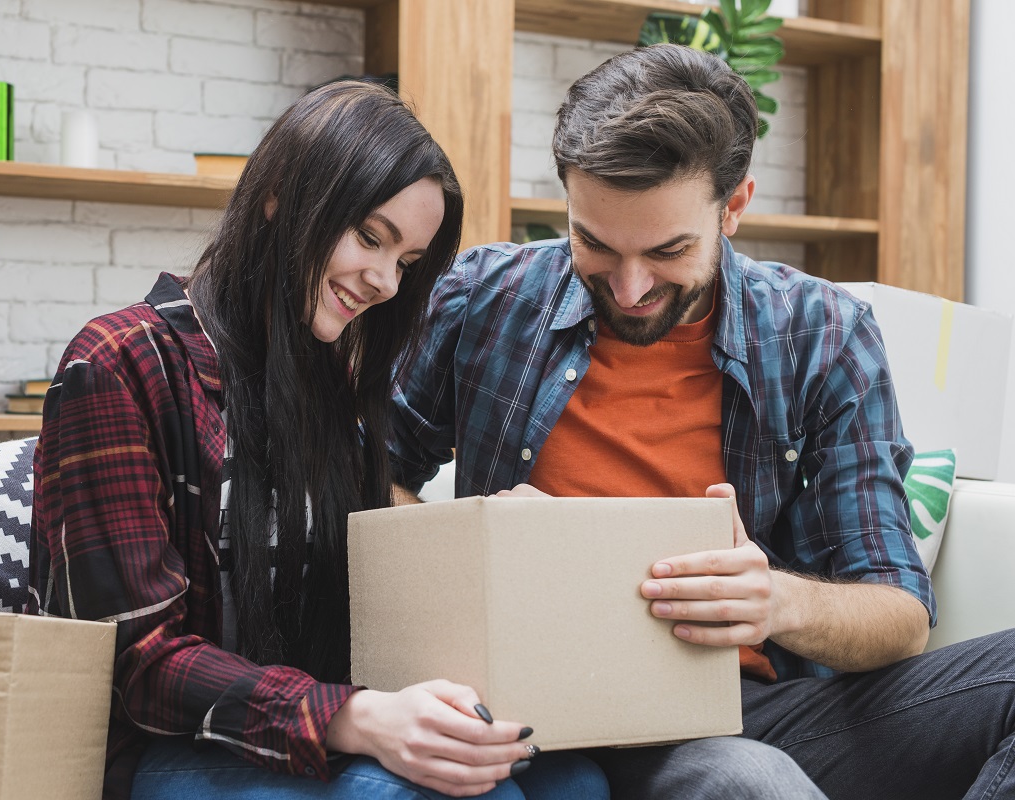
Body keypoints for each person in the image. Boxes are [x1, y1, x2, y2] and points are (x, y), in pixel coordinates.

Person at [389, 44, 1015, 800]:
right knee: (752, 786)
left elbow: (899, 613)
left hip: (748, 708)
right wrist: (480, 546)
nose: (628, 286)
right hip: (534, 706)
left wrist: (777, 600)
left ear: (736, 206)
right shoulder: (485, 297)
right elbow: (363, 479)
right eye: (593, 243)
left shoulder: (820, 331)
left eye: (668, 250)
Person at [26, 81, 609, 800]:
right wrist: (356, 718)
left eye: (407, 262)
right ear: (279, 195)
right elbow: (134, 661)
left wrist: (495, 543)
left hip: (313, 727)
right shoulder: (121, 360)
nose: (386, 282)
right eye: (371, 238)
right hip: (166, 747)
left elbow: (368, 602)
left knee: (573, 781)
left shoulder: (332, 381)